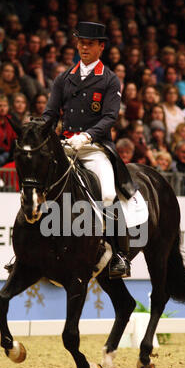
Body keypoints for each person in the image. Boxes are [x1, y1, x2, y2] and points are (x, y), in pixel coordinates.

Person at [42, 21, 136, 279]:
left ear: (100, 47)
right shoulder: (64, 78)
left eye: (90, 43)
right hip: (65, 147)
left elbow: (109, 117)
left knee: (107, 195)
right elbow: (51, 113)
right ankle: (27, 253)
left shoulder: (109, 79)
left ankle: (119, 255)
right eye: (81, 42)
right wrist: (38, 129)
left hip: (94, 148)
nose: (84, 47)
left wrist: (86, 136)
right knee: (40, 187)